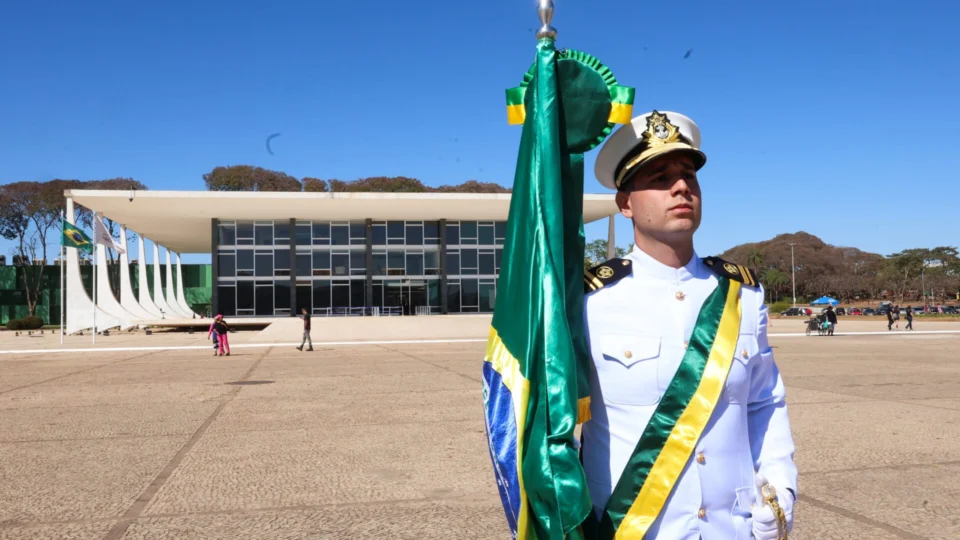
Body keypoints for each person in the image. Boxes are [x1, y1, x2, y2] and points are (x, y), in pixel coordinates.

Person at [582, 110, 797, 539]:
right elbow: (556, 431)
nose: (681, 187)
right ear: (625, 203)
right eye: (659, 178)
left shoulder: (741, 296)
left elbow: (763, 402)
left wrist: (778, 492)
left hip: (732, 529)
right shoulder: (590, 302)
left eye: (689, 176)